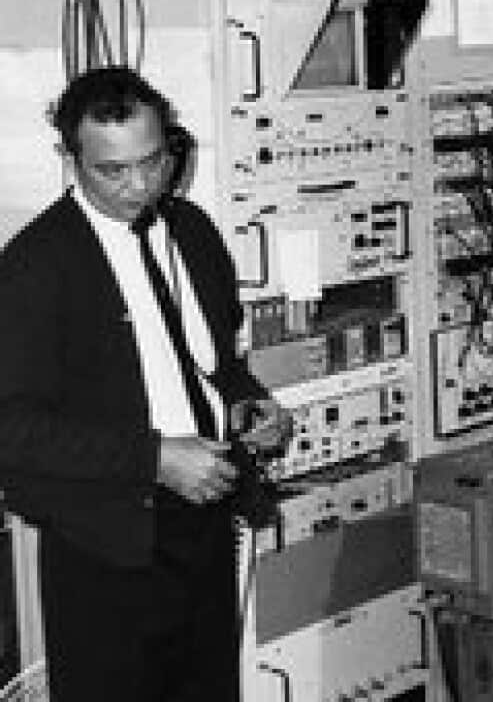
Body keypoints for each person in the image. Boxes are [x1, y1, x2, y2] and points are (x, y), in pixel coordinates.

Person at [0, 67, 291, 701]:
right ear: (69, 158)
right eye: (112, 170)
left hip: (205, 526)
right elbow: (12, 429)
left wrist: (248, 404)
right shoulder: (34, 267)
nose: (139, 186)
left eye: (152, 161)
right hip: (106, 546)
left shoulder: (192, 231)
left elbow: (214, 364)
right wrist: (154, 459)